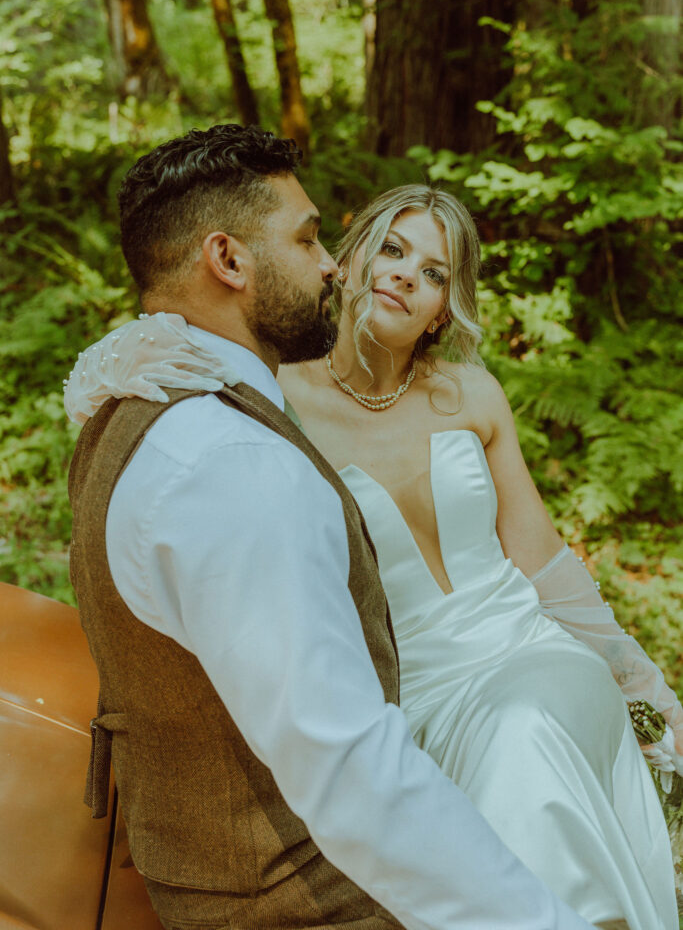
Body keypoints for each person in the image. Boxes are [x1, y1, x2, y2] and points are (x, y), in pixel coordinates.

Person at [64, 125, 600, 930]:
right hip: (301, 901)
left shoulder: (134, 404)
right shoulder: (234, 464)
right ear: (229, 260)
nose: (331, 264)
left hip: (216, 874)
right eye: (309, 237)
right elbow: (353, 776)